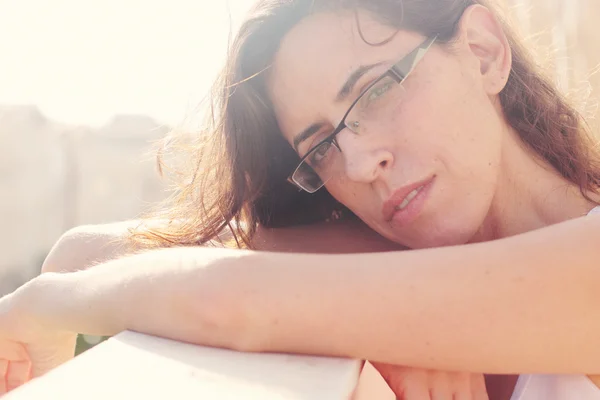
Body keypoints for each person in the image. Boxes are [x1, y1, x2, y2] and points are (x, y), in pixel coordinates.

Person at [2, 0, 600, 398]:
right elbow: (89, 254)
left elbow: (228, 301)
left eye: (375, 91)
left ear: (483, 52)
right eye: (323, 147)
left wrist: (48, 304)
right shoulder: (387, 266)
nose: (362, 165)